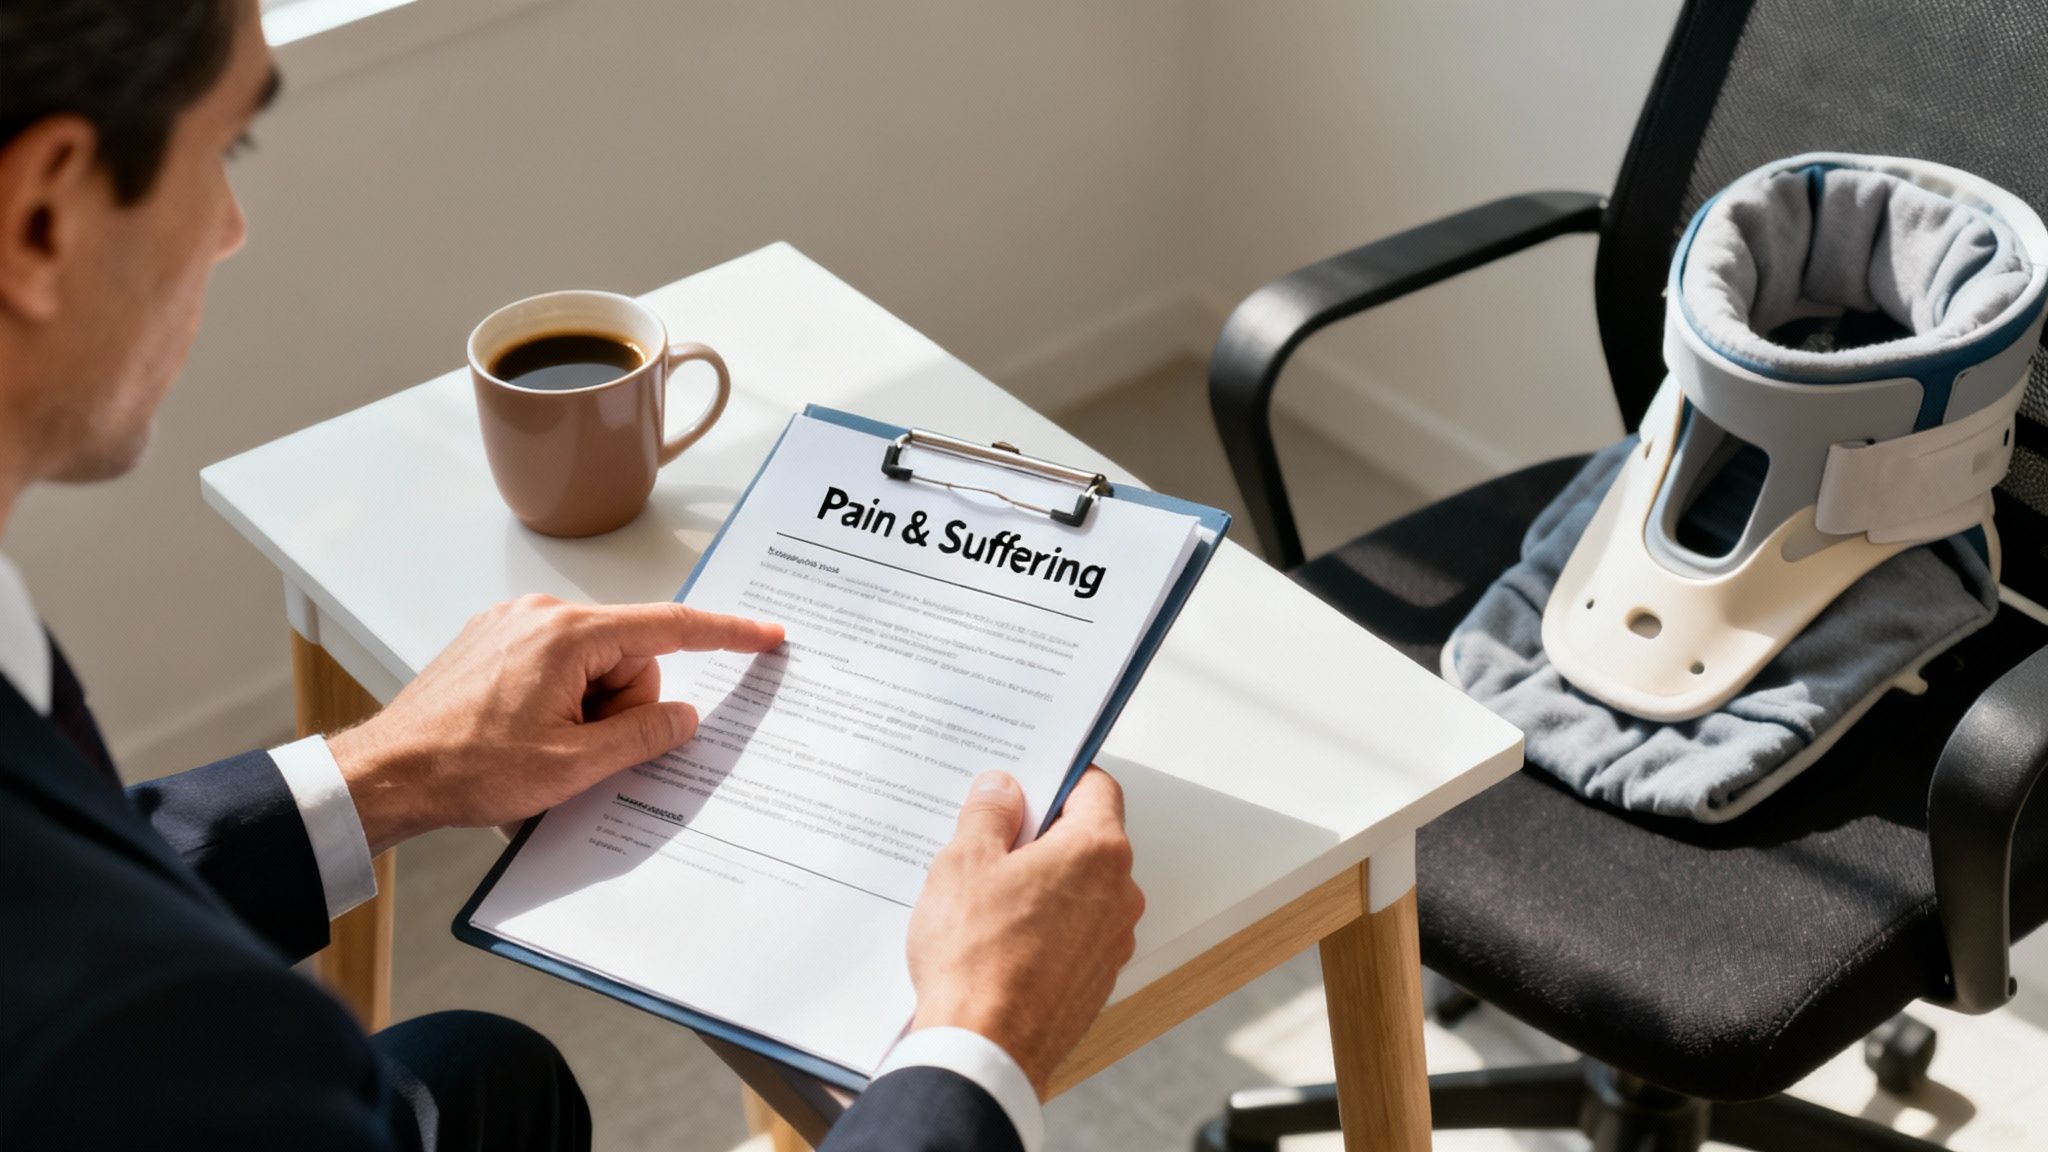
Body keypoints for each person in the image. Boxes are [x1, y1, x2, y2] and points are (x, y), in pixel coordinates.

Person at [0, 3, 1144, 1150]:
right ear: (42, 218)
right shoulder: (145, 1043)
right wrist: (974, 1038)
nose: (233, 228)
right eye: (225, 148)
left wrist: (383, 769)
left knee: (485, 1071)